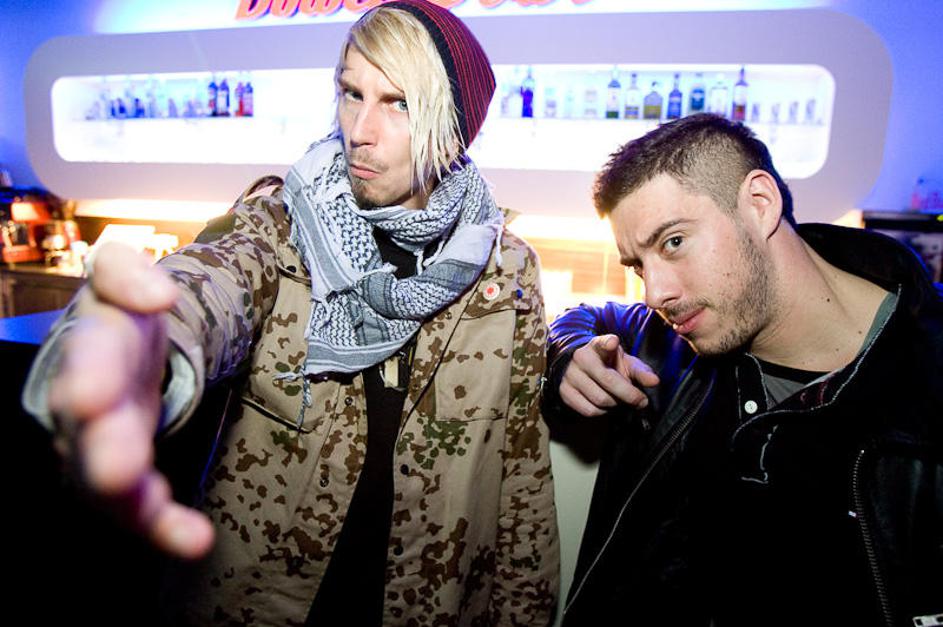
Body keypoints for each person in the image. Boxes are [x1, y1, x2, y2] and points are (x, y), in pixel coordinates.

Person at [23, 2, 559, 624]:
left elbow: (520, 473)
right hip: (264, 602)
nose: (361, 129)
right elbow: (216, 279)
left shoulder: (504, 272)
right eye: (352, 93)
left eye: (399, 103)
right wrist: (149, 337)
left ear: (456, 127)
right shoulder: (282, 224)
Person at [542, 113, 942, 627]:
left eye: (673, 242)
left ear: (760, 203)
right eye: (638, 266)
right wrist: (568, 353)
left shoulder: (925, 378)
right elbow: (586, 317)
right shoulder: (672, 341)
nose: (655, 292)